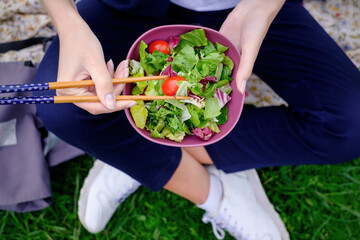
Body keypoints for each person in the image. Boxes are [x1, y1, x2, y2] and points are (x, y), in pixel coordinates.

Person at [36, 0, 360, 239]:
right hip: (128, 6)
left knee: (350, 125)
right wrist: (67, 20)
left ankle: (135, 152)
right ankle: (216, 193)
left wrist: (264, 5)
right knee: (62, 106)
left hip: (246, 5)